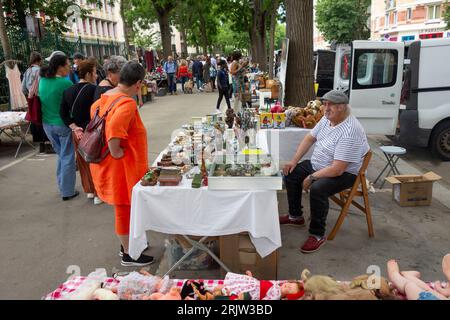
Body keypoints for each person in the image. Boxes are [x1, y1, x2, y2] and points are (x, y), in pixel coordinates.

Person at [281, 90, 370, 253]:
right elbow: (309, 138)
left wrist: (311, 177)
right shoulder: (327, 119)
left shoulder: (350, 131)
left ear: (342, 107)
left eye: (330, 105)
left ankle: (317, 234)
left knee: (318, 189)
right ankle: (295, 216)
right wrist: (294, 161)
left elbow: (337, 169)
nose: (325, 108)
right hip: (319, 164)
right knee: (291, 173)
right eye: (325, 104)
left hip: (344, 173)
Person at [89, 61, 154, 266]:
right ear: (138, 83)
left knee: (124, 208)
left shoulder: (105, 97)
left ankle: (127, 245)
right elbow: (115, 130)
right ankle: (129, 254)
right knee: (124, 209)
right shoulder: (126, 103)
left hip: (107, 165)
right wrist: (117, 152)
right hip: (121, 167)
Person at [60, 58, 103, 205]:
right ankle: (98, 193)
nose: (96, 76)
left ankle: (89, 191)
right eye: (95, 73)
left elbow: (63, 113)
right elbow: (99, 112)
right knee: (96, 162)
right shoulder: (93, 90)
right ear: (90, 74)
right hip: (92, 132)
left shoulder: (68, 91)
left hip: (77, 133)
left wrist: (73, 127)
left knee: (83, 162)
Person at [39, 52, 78, 201]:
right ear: (60, 67)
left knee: (62, 155)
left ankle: (63, 186)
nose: (69, 67)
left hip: (47, 126)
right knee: (67, 157)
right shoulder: (65, 83)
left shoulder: (43, 80)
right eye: (67, 65)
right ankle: (67, 191)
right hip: (62, 125)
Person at [22, 51, 53, 154]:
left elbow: (23, 88)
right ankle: (47, 145)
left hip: (31, 98)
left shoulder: (27, 71)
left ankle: (40, 145)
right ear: (39, 60)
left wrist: (29, 96)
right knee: (42, 119)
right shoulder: (39, 71)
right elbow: (43, 85)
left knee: (34, 119)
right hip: (40, 97)